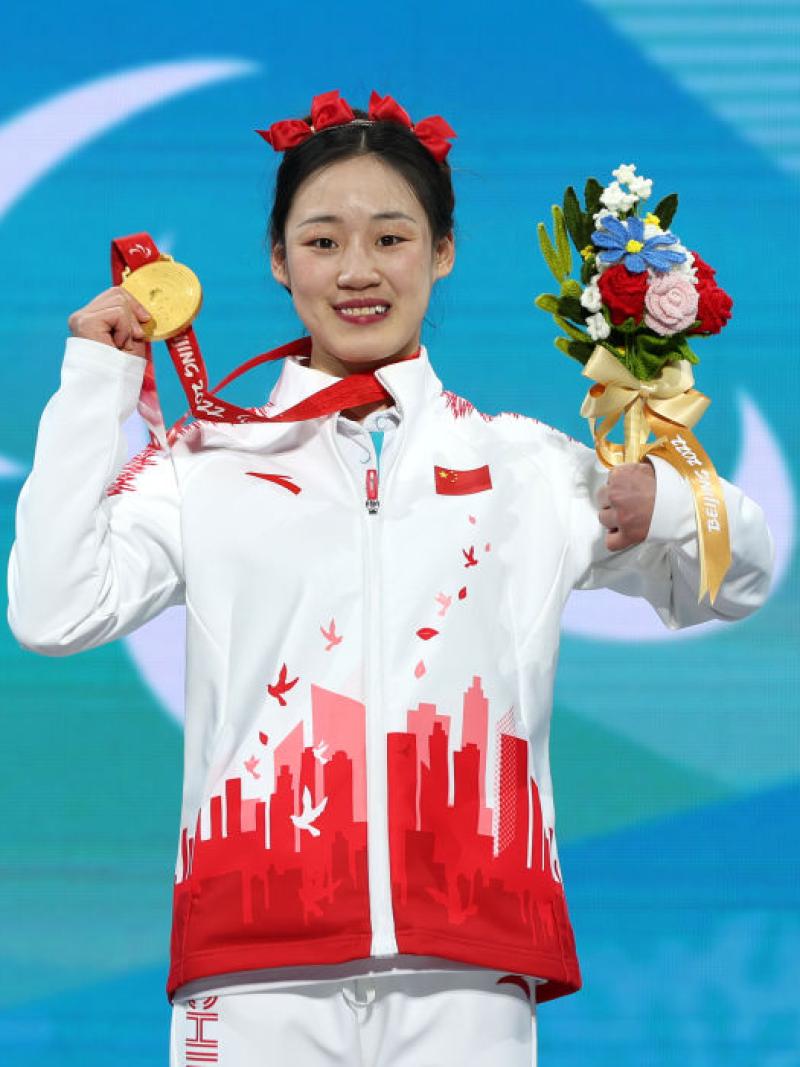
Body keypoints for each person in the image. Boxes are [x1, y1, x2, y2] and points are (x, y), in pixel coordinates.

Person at [6, 89, 774, 1066]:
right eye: (322, 241)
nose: (357, 270)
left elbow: (733, 581)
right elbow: (51, 609)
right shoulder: (205, 464)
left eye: (391, 237)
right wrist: (93, 385)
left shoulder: (522, 465)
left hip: (470, 964)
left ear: (442, 251)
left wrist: (669, 502)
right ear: (278, 259)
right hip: (249, 965)